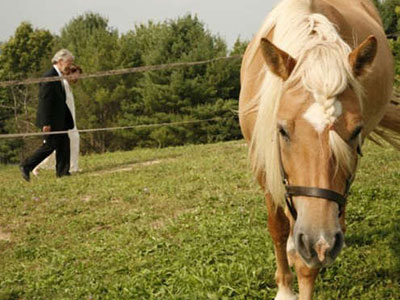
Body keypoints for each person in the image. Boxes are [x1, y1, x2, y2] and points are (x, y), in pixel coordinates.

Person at [19, 49, 75, 181]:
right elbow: (44, 102)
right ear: (60, 61)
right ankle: (26, 165)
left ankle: (63, 172)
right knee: (50, 146)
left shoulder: (58, 75)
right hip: (51, 120)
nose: (70, 66)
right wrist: (46, 123)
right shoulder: (49, 77)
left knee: (63, 144)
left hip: (59, 120)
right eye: (69, 62)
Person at [32, 64, 82, 175]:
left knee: (72, 142)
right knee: (54, 149)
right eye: (77, 74)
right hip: (63, 123)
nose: (78, 77)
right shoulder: (62, 84)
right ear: (70, 73)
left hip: (69, 122)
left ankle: (73, 167)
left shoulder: (67, 86)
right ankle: (35, 165)